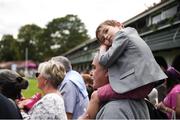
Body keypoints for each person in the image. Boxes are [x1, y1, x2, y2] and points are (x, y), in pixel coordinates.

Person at [82, 20, 167, 119]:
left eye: (106, 31)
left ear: (119, 24)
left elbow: (105, 60)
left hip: (137, 82)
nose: (105, 37)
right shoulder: (131, 36)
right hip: (145, 82)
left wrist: (103, 47)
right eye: (103, 39)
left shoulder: (122, 35)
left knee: (96, 95)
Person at [82, 52, 150, 119]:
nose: (91, 73)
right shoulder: (139, 100)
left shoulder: (112, 110)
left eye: (94, 68)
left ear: (108, 71)